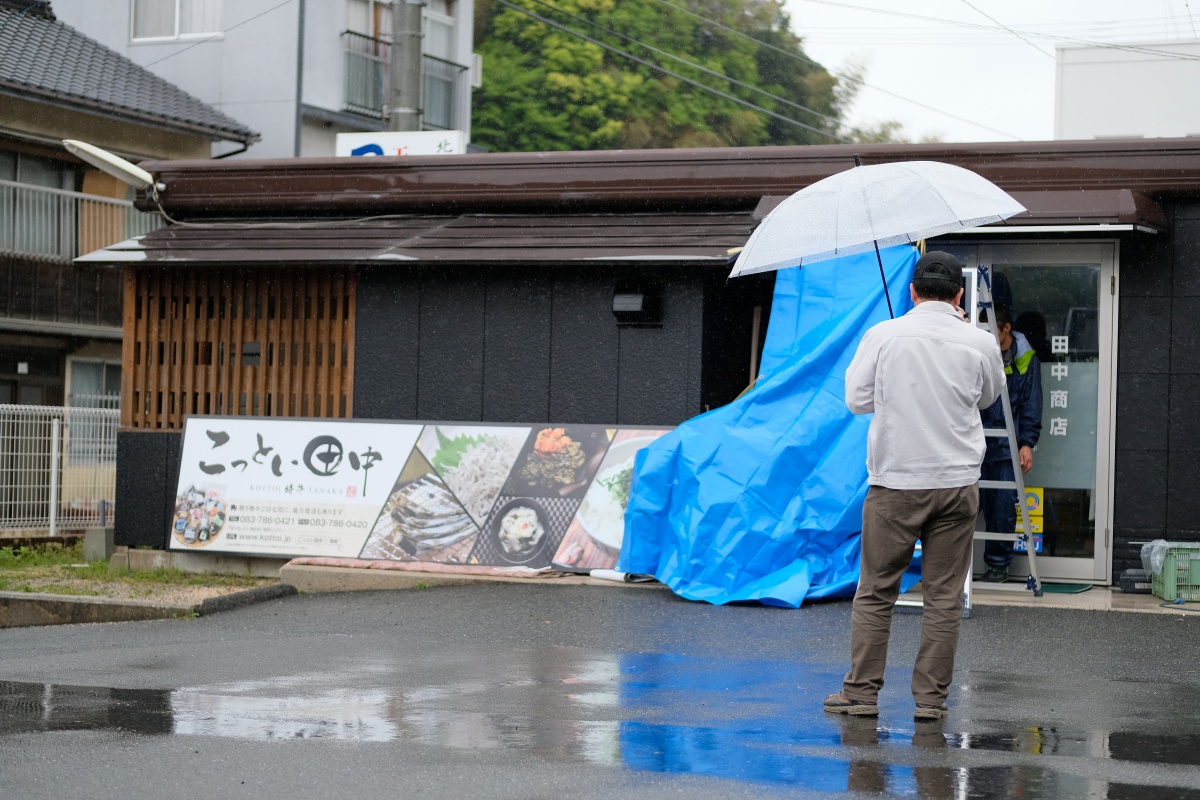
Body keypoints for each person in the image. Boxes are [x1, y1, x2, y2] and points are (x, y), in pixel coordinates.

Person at [824, 251, 1004, 721]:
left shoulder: (884, 335)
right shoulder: (979, 341)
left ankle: (861, 693)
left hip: (896, 483)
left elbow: (857, 400)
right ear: (960, 294)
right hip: (957, 482)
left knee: (876, 590)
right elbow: (987, 397)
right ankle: (930, 702)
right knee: (943, 597)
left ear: (912, 291)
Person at [978, 304, 1043, 583]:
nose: (992, 342)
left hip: (1006, 444)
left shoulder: (1026, 358)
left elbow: (1031, 403)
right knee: (961, 506)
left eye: (997, 335)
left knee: (1003, 507)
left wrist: (1027, 443)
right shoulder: (978, 352)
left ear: (1008, 328)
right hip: (973, 442)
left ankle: (998, 566)